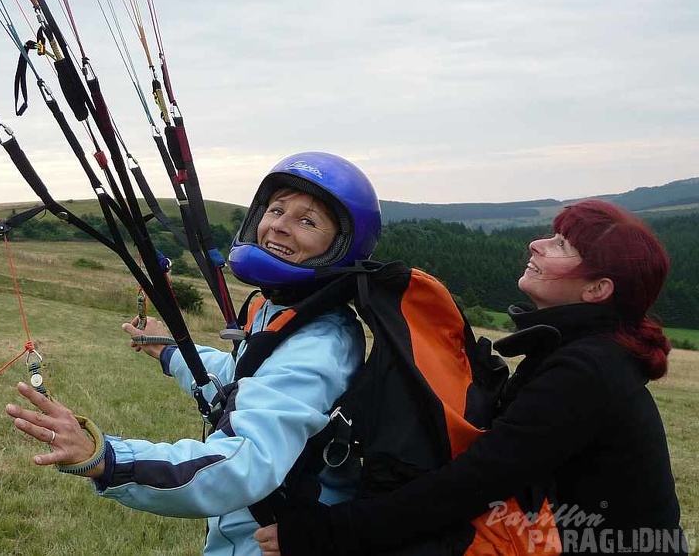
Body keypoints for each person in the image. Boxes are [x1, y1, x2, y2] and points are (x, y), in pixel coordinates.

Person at [256, 199, 687, 555]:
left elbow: (472, 485)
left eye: (559, 245)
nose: (535, 245)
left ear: (597, 290)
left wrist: (323, 533)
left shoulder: (588, 371)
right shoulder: (579, 353)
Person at [5, 151, 382, 556]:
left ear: (342, 246)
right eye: (275, 209)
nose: (279, 227)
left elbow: (243, 462)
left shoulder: (322, 341)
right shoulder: (287, 312)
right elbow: (241, 382)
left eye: (306, 221)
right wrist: (167, 350)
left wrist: (108, 458)